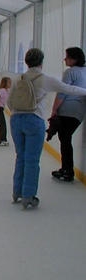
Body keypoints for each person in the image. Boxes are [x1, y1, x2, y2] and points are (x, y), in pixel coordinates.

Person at [8, 48, 86, 209]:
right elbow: (69, 89)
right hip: (34, 120)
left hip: (15, 120)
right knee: (32, 160)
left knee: (20, 157)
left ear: (26, 62)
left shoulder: (18, 79)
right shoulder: (45, 79)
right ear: (41, 62)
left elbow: (9, 102)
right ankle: (28, 196)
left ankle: (17, 192)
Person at [48, 47, 86, 182]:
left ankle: (67, 170)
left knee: (65, 139)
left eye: (67, 57)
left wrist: (54, 110)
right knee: (65, 139)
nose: (65, 59)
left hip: (68, 110)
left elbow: (62, 92)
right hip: (79, 112)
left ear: (74, 59)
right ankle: (66, 168)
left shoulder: (70, 72)